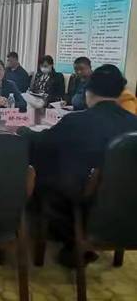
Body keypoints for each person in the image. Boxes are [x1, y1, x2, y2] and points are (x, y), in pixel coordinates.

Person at [18, 65, 137, 266]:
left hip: (86, 198)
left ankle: (71, 239)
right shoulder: (134, 122)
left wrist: (23, 131)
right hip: (127, 198)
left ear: (89, 91)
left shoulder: (77, 121)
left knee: (42, 179)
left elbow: (44, 142)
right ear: (120, 93)